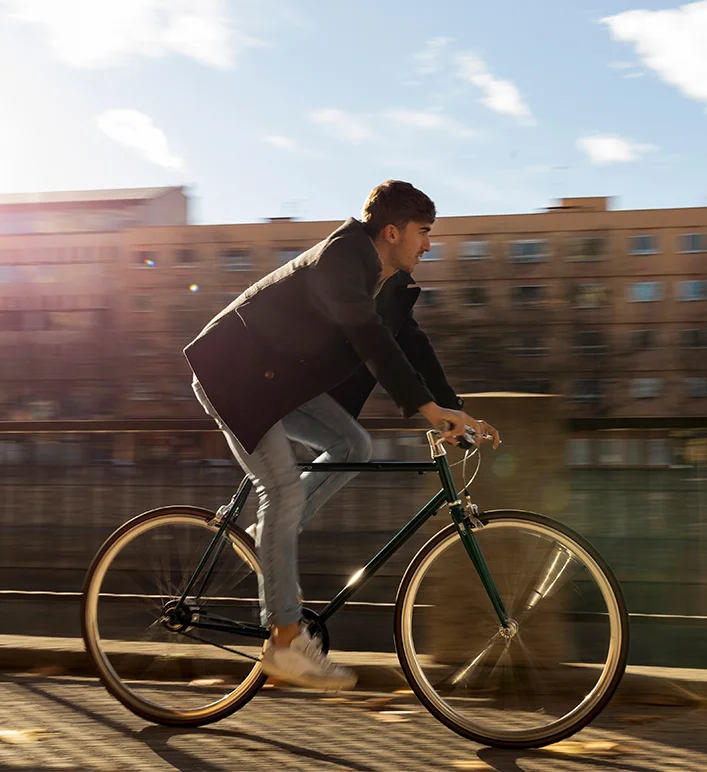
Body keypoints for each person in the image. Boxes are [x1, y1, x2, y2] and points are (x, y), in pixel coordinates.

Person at [184, 180, 501, 691]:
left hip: (280, 381)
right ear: (392, 231)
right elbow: (369, 337)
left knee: (355, 445)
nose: (429, 245)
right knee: (282, 491)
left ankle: (275, 537)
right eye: (424, 233)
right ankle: (284, 641)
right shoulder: (341, 258)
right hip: (235, 374)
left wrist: (454, 412)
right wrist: (424, 409)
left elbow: (411, 344)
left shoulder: (392, 282)